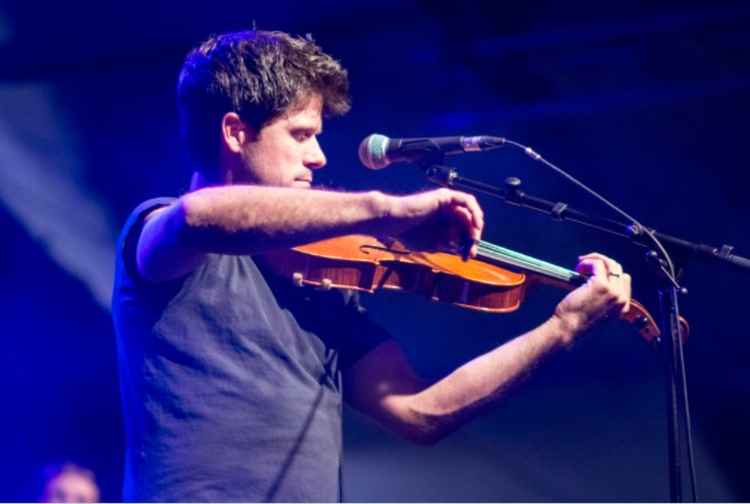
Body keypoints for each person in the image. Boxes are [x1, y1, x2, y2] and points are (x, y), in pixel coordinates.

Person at [112, 30, 631, 501]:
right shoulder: (159, 233)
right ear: (234, 132)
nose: (318, 156)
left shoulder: (319, 283)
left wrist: (564, 327)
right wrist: (387, 210)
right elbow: (199, 216)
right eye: (300, 134)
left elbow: (420, 412)